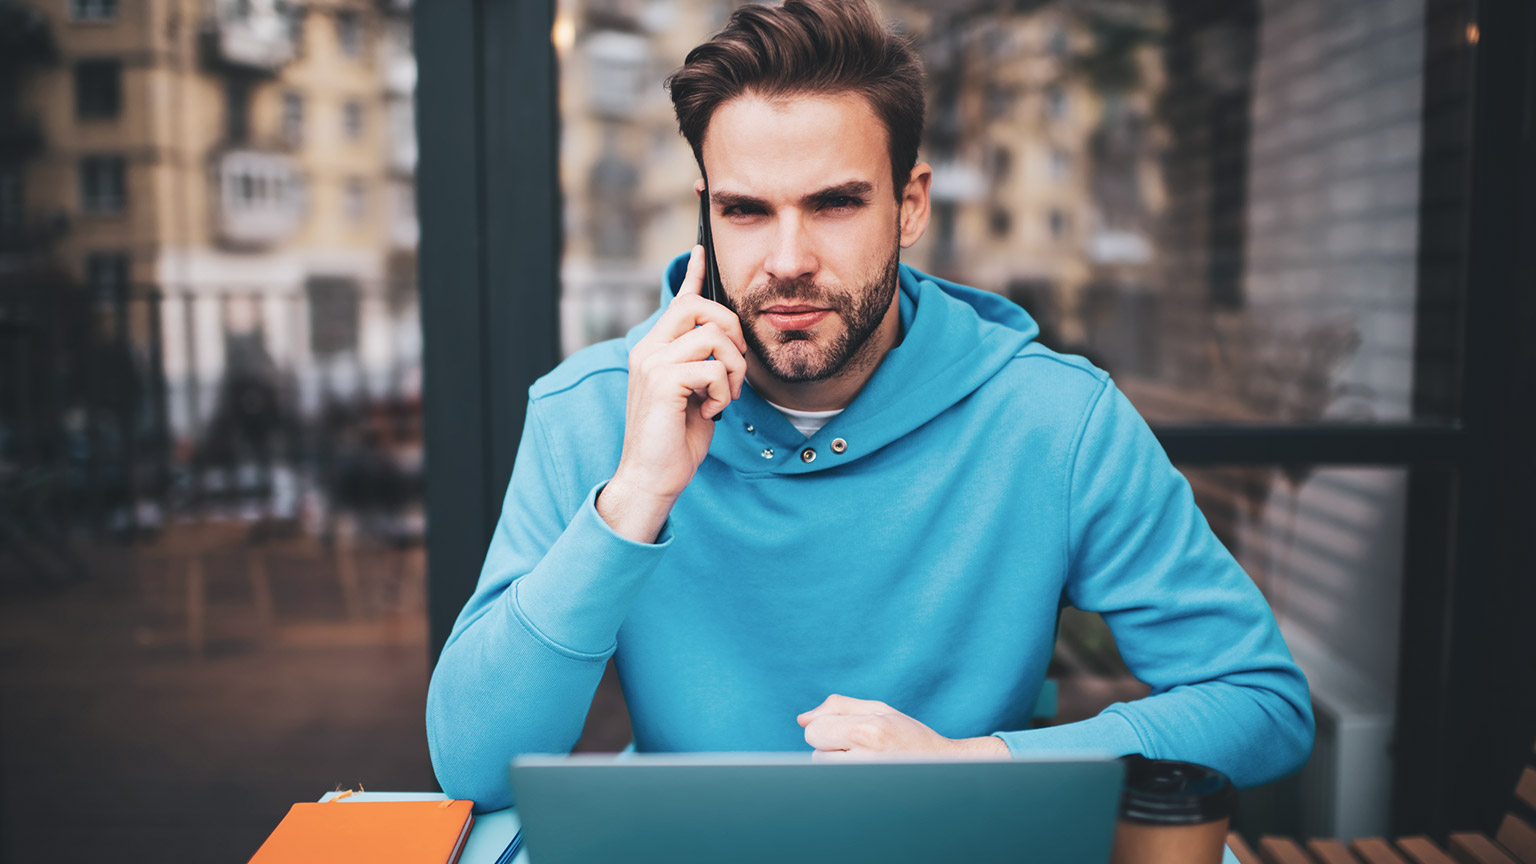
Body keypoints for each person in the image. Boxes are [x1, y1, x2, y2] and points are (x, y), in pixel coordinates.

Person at [426, 0, 1313, 811]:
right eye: (744, 210)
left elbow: (1259, 704)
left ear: (909, 205)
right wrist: (634, 500)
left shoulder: (1055, 420)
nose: (787, 258)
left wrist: (980, 769)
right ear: (706, 215)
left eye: (836, 203)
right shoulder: (593, 410)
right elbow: (473, 766)